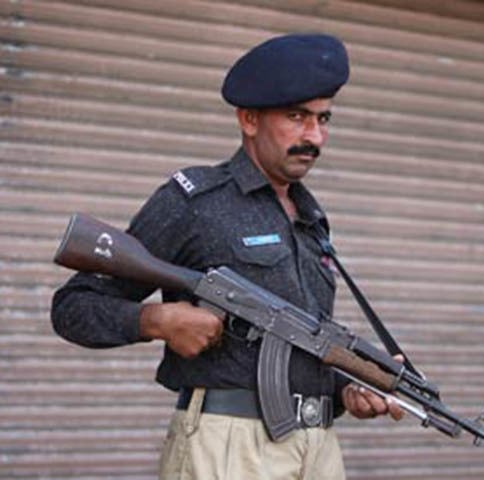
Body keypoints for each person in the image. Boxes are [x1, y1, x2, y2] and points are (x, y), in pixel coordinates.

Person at [51, 33, 403, 480]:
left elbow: (297, 346)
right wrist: (156, 321)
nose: (314, 136)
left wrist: (348, 387)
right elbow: (73, 307)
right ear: (249, 119)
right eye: (297, 117)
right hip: (229, 447)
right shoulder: (195, 202)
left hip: (317, 449)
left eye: (323, 118)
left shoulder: (312, 219)